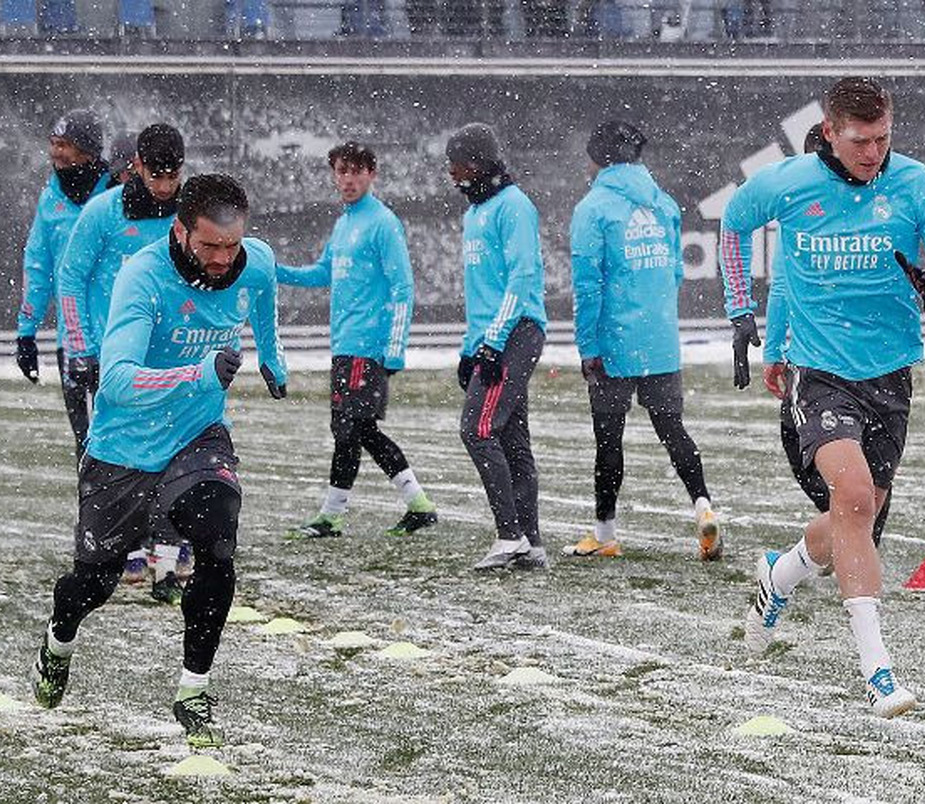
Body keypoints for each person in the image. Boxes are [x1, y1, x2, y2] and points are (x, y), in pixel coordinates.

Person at [720, 77, 925, 718]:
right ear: (830, 132)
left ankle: (779, 576)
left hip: (889, 374)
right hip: (820, 368)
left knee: (856, 519)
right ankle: (878, 672)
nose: (874, 153)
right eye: (861, 141)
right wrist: (741, 314)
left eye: (884, 138)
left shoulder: (917, 184)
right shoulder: (789, 183)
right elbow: (732, 223)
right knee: (856, 499)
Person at [30, 174, 289, 749]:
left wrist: (272, 358)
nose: (224, 260)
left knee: (218, 538)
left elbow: (263, 299)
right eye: (209, 246)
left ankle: (193, 688)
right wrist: (197, 373)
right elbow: (116, 382)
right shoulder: (143, 277)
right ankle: (59, 639)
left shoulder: (256, 262)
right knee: (91, 585)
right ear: (180, 229)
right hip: (122, 449)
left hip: (196, 435)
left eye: (232, 245)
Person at [566, 120, 722, 562]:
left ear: (597, 159)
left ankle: (605, 533)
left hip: (614, 339)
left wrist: (587, 347)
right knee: (673, 431)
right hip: (658, 339)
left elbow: (588, 286)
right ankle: (703, 506)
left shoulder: (593, 208)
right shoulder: (664, 205)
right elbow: (674, 271)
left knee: (609, 441)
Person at [278, 142, 437, 540]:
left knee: (350, 430)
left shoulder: (382, 223)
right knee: (358, 431)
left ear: (372, 174)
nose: (347, 180)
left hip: (368, 347)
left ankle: (332, 515)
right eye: (341, 172)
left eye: (356, 172)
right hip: (344, 347)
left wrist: (395, 348)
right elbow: (322, 273)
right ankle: (418, 504)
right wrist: (275, 270)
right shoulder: (344, 223)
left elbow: (403, 286)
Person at [57, 123, 188, 602]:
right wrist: (82, 346)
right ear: (136, 165)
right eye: (157, 176)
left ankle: (167, 551)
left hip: (166, 356)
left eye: (173, 177)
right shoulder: (101, 214)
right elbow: (70, 280)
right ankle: (118, 544)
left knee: (173, 452)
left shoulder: (185, 213)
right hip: (110, 357)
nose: (164, 187)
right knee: (111, 455)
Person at [764, 122, 891, 561]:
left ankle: (848, 541)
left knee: (867, 489)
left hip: (871, 365)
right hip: (818, 364)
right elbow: (781, 284)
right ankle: (841, 541)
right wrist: (773, 350)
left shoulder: (881, 202)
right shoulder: (805, 211)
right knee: (848, 488)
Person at [446, 123, 548, 572]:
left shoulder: (514, 207)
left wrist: (492, 343)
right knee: (511, 437)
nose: (454, 176)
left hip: (516, 332)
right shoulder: (474, 214)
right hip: (493, 336)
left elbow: (521, 279)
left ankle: (510, 536)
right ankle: (532, 543)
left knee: (477, 430)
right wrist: (472, 349)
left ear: (480, 163)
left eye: (460, 165)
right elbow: (481, 292)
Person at [15, 109, 112, 461]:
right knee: (84, 440)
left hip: (121, 335)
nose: (56, 152)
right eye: (53, 144)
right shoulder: (50, 200)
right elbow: (38, 268)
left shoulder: (118, 195)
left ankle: (136, 512)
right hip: (72, 339)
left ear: (87, 149)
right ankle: (92, 514)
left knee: (123, 436)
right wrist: (26, 332)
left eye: (64, 145)